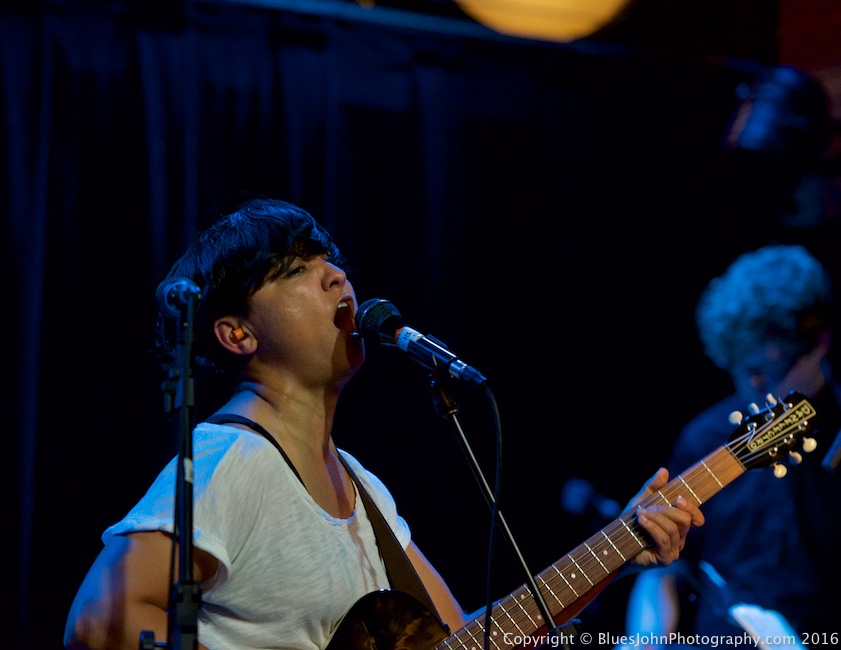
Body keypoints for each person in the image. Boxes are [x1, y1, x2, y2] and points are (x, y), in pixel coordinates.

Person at [64, 197, 704, 650]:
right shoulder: (231, 460)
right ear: (237, 334)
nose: (336, 277)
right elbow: (101, 622)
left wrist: (620, 550)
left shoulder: (362, 487)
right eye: (299, 271)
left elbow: (467, 638)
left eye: (332, 262)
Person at [622, 244, 841, 649]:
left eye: (767, 369)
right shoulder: (706, 437)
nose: (754, 386)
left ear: (819, 344)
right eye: (743, 369)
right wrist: (644, 641)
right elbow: (662, 572)